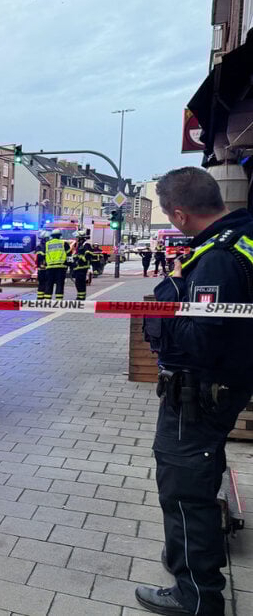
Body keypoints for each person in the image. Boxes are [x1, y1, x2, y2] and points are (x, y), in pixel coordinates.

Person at [138, 167, 253, 616]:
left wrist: (164, 310)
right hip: (219, 386)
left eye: (169, 215)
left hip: (200, 392)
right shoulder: (240, 238)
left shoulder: (218, 259)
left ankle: (198, 596)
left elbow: (203, 338)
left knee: (185, 485)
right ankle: (182, 559)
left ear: (181, 214)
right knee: (198, 472)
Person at [43, 228, 69, 299]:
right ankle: (58, 300)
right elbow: (69, 255)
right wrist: (70, 266)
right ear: (59, 236)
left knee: (49, 284)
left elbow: (44, 255)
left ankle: (47, 300)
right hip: (60, 268)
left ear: (52, 236)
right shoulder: (64, 243)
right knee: (59, 284)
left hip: (49, 268)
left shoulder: (47, 244)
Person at [71, 233, 93, 300]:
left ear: (80, 238)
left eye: (77, 237)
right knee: (78, 283)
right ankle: (80, 297)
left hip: (82, 268)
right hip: (78, 267)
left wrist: (80, 260)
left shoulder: (86, 245)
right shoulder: (79, 245)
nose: (76, 239)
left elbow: (88, 255)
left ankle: (81, 298)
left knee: (80, 283)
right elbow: (76, 255)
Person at [35, 231, 50, 299]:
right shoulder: (49, 246)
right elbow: (39, 257)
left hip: (41, 269)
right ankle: (45, 298)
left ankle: (40, 298)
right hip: (46, 268)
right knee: (47, 284)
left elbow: (38, 258)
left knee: (42, 284)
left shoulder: (39, 246)